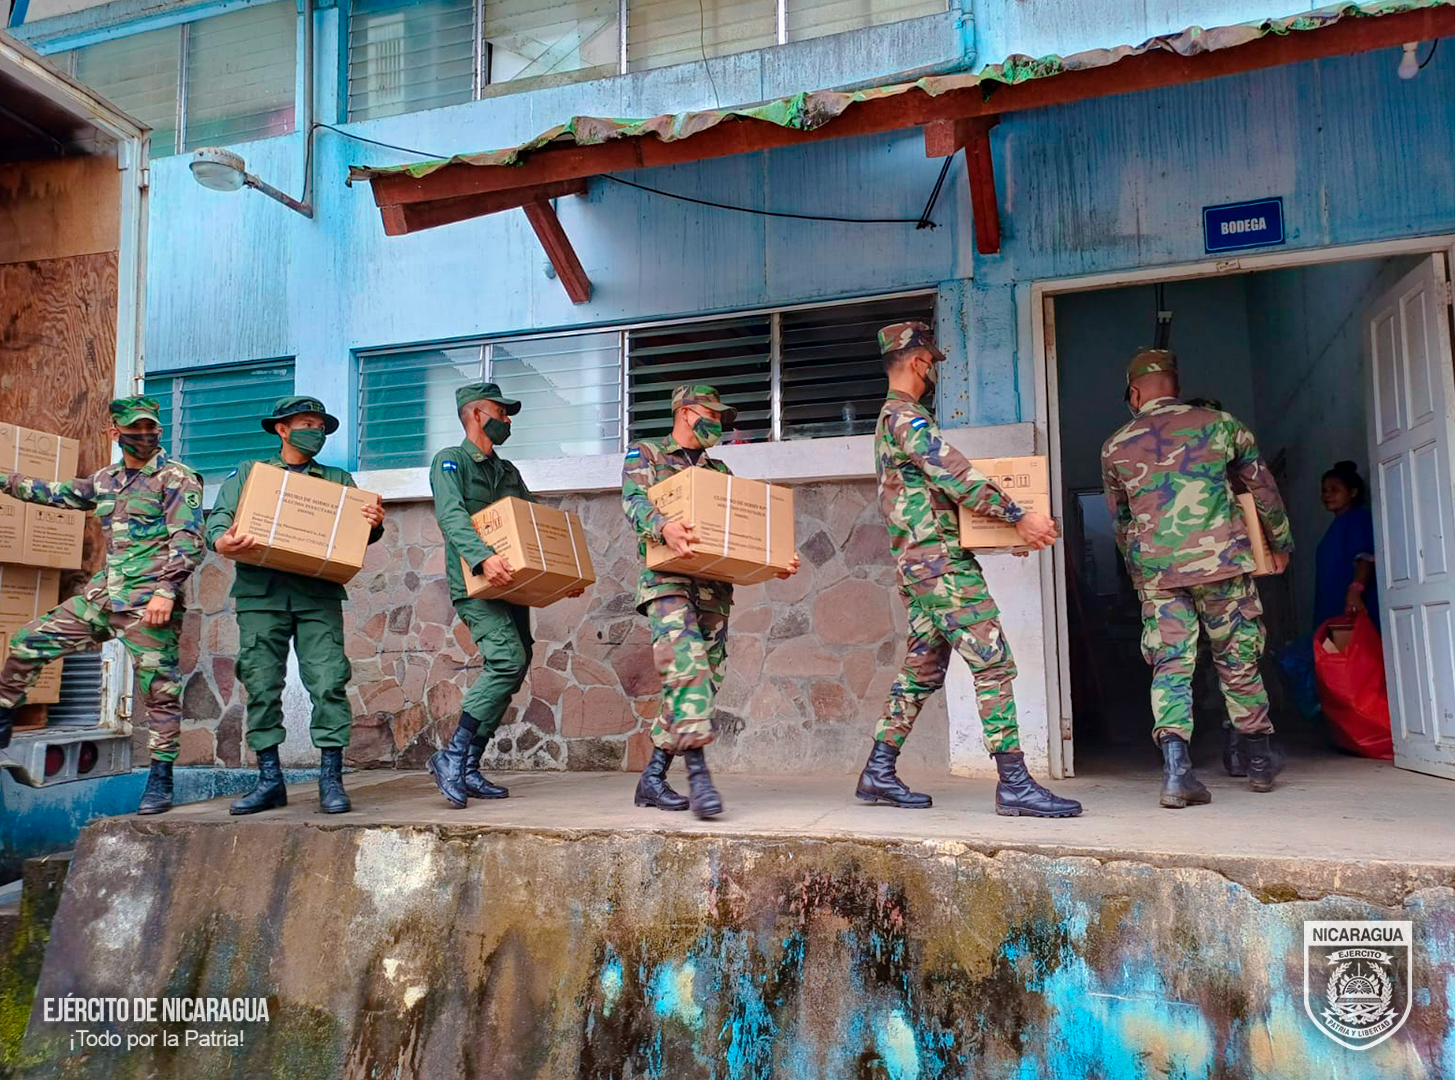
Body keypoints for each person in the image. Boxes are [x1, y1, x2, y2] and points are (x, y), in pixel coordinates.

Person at [860, 323, 1082, 818]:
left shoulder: (892, 420)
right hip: (940, 566)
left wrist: (1005, 534)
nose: (934, 373)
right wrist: (1018, 516)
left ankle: (878, 769)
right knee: (993, 662)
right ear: (918, 362)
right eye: (932, 363)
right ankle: (1015, 783)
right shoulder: (906, 418)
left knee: (921, 670)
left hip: (923, 565)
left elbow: (939, 499)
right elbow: (957, 478)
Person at [1101, 349, 1294, 806]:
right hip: (1222, 564)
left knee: (1171, 665)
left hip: (1160, 576)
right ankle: (1259, 762)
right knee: (1238, 657)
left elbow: (1122, 522)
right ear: (1176, 385)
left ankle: (1176, 773)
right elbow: (1262, 489)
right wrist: (1279, 544)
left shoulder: (1115, 446)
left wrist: (1139, 572)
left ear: (1134, 393)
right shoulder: (1222, 425)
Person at [0, 396, 203, 815]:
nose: (144, 435)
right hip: (103, 598)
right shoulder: (106, 480)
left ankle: (160, 780)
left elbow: (189, 541)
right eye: (135, 428)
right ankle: (2, 720)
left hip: (148, 604)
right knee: (28, 642)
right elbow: (54, 494)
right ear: (115, 432)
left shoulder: (175, 478)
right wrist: (4, 480)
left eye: (150, 428)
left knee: (160, 692)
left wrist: (166, 591)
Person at [622, 385, 800, 819]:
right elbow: (632, 501)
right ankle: (699, 779)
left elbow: (740, 532)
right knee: (687, 669)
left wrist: (774, 559)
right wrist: (663, 526)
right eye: (712, 414)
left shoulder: (719, 471)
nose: (718, 424)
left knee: (702, 682)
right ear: (685, 412)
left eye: (721, 417)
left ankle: (653, 777)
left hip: (713, 592)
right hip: (667, 583)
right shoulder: (647, 455)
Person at [208, 397, 385, 815]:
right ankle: (270, 780)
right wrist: (221, 540)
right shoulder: (252, 473)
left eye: (320, 427)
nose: (316, 433)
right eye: (307, 425)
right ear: (282, 429)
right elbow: (219, 518)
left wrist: (374, 524)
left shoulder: (338, 480)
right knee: (261, 683)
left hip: (316, 595)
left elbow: (357, 534)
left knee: (328, 682)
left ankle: (331, 780)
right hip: (261, 594)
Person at [427, 383, 581, 808]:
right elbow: (451, 516)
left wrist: (564, 573)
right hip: (476, 584)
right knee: (507, 659)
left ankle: (468, 766)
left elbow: (532, 522)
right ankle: (451, 756)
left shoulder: (507, 470)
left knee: (517, 663)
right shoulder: (451, 462)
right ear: (477, 414)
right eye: (501, 412)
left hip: (512, 584)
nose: (507, 420)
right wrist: (481, 557)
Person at [1315, 460, 1378, 633]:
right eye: (1324, 490)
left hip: (1352, 608)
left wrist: (1355, 591)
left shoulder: (1358, 519)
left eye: (1334, 490)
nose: (1328, 495)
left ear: (1353, 492)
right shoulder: (1339, 524)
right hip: (1334, 609)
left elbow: (1365, 558)